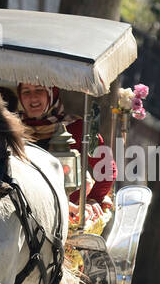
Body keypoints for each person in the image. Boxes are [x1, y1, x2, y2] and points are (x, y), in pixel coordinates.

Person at [14, 82, 116, 225]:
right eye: (26, 92)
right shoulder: (12, 129)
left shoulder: (78, 128)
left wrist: (92, 200)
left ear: (52, 93)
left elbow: (107, 169)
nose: (33, 97)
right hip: (21, 216)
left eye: (39, 90)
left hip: (68, 218)